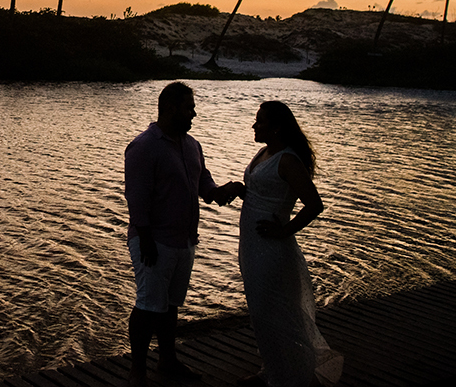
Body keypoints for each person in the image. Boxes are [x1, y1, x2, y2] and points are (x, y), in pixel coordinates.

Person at [124, 81, 240, 385]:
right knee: (148, 304)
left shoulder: (192, 145)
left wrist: (228, 190)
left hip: (185, 240)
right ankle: (137, 372)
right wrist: (146, 240)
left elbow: (206, 188)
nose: (194, 114)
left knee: (171, 305)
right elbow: (136, 199)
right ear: (171, 108)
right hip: (154, 240)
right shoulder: (144, 146)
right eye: (189, 107)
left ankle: (167, 361)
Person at [235, 100, 341, 387]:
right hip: (251, 246)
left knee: (276, 313)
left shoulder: (288, 160)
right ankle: (272, 371)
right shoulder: (264, 152)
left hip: (272, 250)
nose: (254, 125)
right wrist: (241, 190)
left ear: (277, 127)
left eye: (260, 121)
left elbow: (313, 204)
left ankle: (291, 377)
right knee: (261, 313)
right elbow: (263, 192)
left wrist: (285, 231)